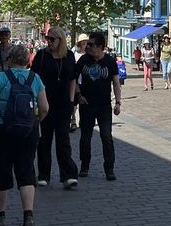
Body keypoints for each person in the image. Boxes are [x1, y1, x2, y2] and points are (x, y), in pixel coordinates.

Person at [0, 43, 48, 226]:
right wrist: (35, 121)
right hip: (28, 131)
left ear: (10, 59)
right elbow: (45, 107)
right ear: (27, 60)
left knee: (2, 169)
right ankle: (28, 215)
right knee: (26, 170)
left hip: (1, 129)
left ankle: (0, 215)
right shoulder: (35, 78)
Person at [32, 27, 78, 189]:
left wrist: (72, 101)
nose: (49, 42)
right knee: (44, 140)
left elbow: (73, 79)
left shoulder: (69, 56)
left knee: (63, 141)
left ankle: (68, 175)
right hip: (45, 105)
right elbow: (34, 79)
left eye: (52, 39)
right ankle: (44, 175)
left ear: (60, 40)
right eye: (47, 38)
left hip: (64, 105)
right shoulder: (41, 56)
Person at [75, 31, 122, 181]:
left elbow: (116, 82)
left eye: (91, 44)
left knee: (106, 136)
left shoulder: (109, 61)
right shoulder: (83, 60)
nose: (87, 47)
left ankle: (109, 169)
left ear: (100, 46)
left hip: (104, 106)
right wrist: (79, 96)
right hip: (87, 105)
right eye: (87, 44)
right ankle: (84, 166)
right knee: (85, 137)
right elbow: (74, 79)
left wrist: (118, 103)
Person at [70, 33, 89, 131]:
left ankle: (83, 120)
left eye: (86, 41)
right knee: (74, 102)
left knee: (85, 101)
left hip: (86, 80)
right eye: (83, 41)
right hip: (76, 79)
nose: (85, 43)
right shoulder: (74, 52)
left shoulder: (89, 52)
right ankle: (73, 120)